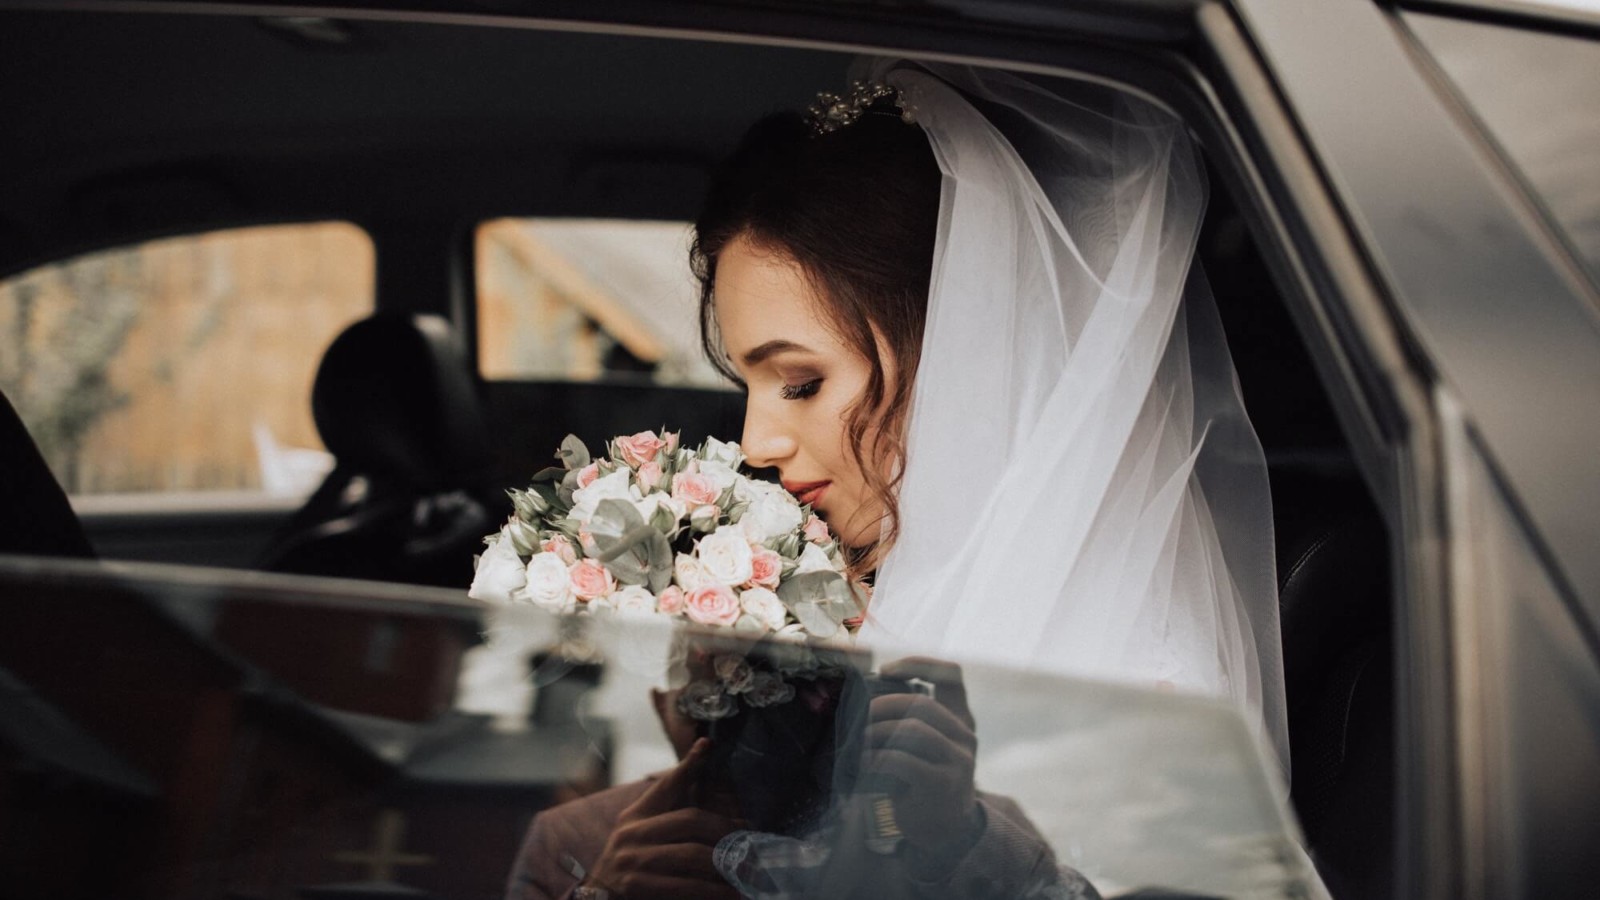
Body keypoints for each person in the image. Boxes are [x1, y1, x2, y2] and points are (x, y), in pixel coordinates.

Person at [509, 59, 1287, 898]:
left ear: (964, 360)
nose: (756, 441)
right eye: (750, 388)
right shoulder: (847, 600)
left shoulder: (1141, 681)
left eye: (801, 383)